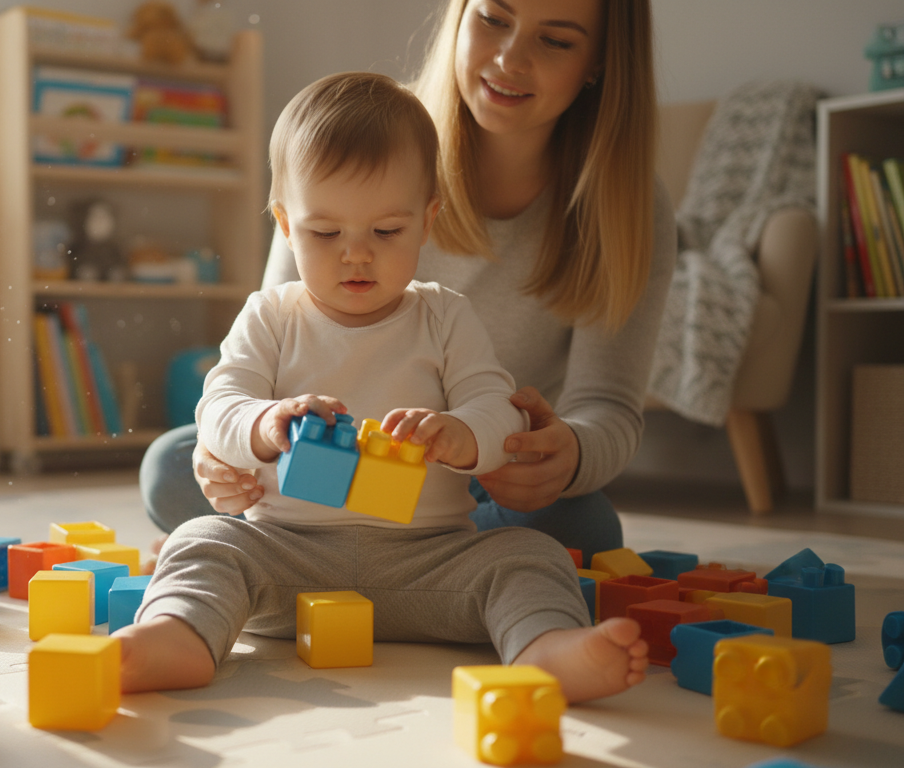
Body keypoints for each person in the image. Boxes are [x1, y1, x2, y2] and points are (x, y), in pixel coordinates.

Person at [115, 71, 649, 702]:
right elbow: (221, 403)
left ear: (428, 223)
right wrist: (263, 425)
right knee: (201, 541)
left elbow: (498, 409)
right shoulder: (271, 315)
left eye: (386, 233)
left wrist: (464, 433)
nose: (356, 255)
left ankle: (547, 649)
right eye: (326, 233)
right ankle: (174, 639)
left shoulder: (445, 316)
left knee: (529, 555)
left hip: (431, 559)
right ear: (285, 226)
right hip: (287, 555)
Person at [140, 0, 674, 564]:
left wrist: (565, 454)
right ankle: (408, 555)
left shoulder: (623, 206)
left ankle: (384, 553)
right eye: (493, 19)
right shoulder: (344, 143)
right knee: (172, 466)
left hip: (470, 475)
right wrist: (227, 451)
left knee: (583, 522)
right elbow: (265, 359)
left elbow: (606, 406)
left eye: (556, 41)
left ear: (600, 61)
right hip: (309, 466)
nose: (509, 58)